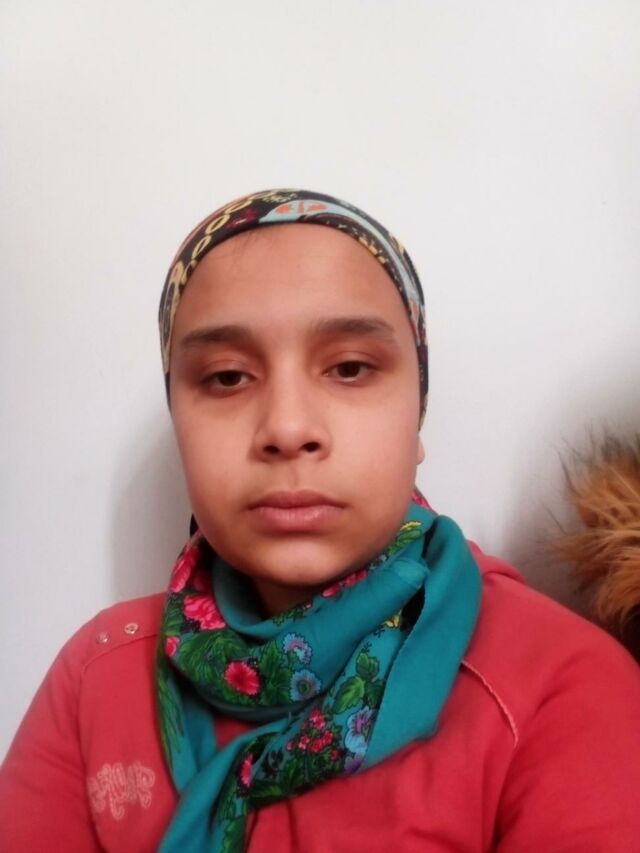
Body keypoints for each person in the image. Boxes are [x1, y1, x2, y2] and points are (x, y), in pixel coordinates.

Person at [2, 189, 640, 852]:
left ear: (416, 416)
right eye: (226, 377)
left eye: (350, 367)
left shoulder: (563, 689)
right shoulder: (98, 678)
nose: (287, 427)